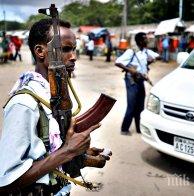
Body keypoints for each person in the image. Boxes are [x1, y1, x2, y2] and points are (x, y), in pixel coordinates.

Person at [0, 18, 111, 195]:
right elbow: (6, 182)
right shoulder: (24, 103)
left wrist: (82, 152)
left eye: (74, 49)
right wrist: (68, 151)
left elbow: (45, 149)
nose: (73, 56)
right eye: (65, 49)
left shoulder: (55, 96)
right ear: (40, 51)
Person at [115, 32, 159, 135]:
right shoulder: (131, 51)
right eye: (145, 39)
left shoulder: (145, 52)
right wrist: (130, 70)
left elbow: (158, 57)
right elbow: (117, 62)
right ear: (139, 41)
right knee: (131, 105)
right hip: (131, 80)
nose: (147, 41)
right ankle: (124, 129)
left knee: (140, 105)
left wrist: (151, 60)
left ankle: (139, 128)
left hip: (140, 80)